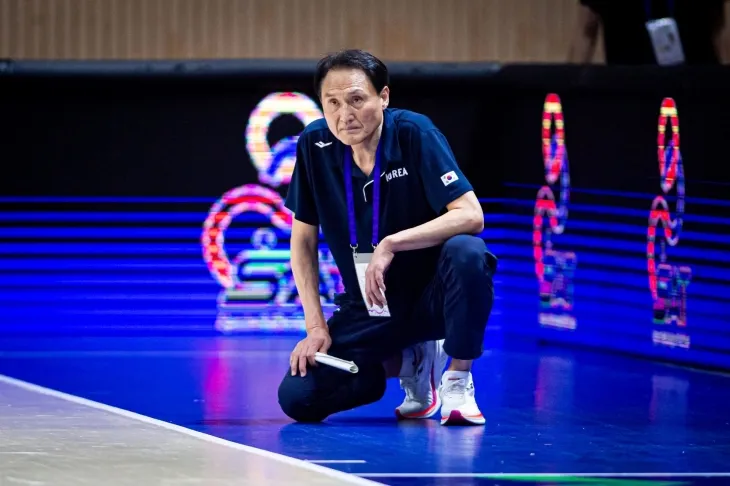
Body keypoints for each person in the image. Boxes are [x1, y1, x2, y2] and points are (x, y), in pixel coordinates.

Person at [277, 49, 497, 426]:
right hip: (371, 305)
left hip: (433, 296)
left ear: (384, 97)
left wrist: (391, 243)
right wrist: (315, 327)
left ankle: (457, 381)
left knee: (468, 252)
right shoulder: (314, 145)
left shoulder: (415, 133)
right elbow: (303, 243)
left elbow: (470, 215)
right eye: (332, 103)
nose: (345, 115)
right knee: (298, 397)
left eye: (356, 99)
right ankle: (410, 362)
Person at [569, 0, 727, 65]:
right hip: (630, 91)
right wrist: (567, 95)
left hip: (696, 89)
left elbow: (720, 30)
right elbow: (585, 33)